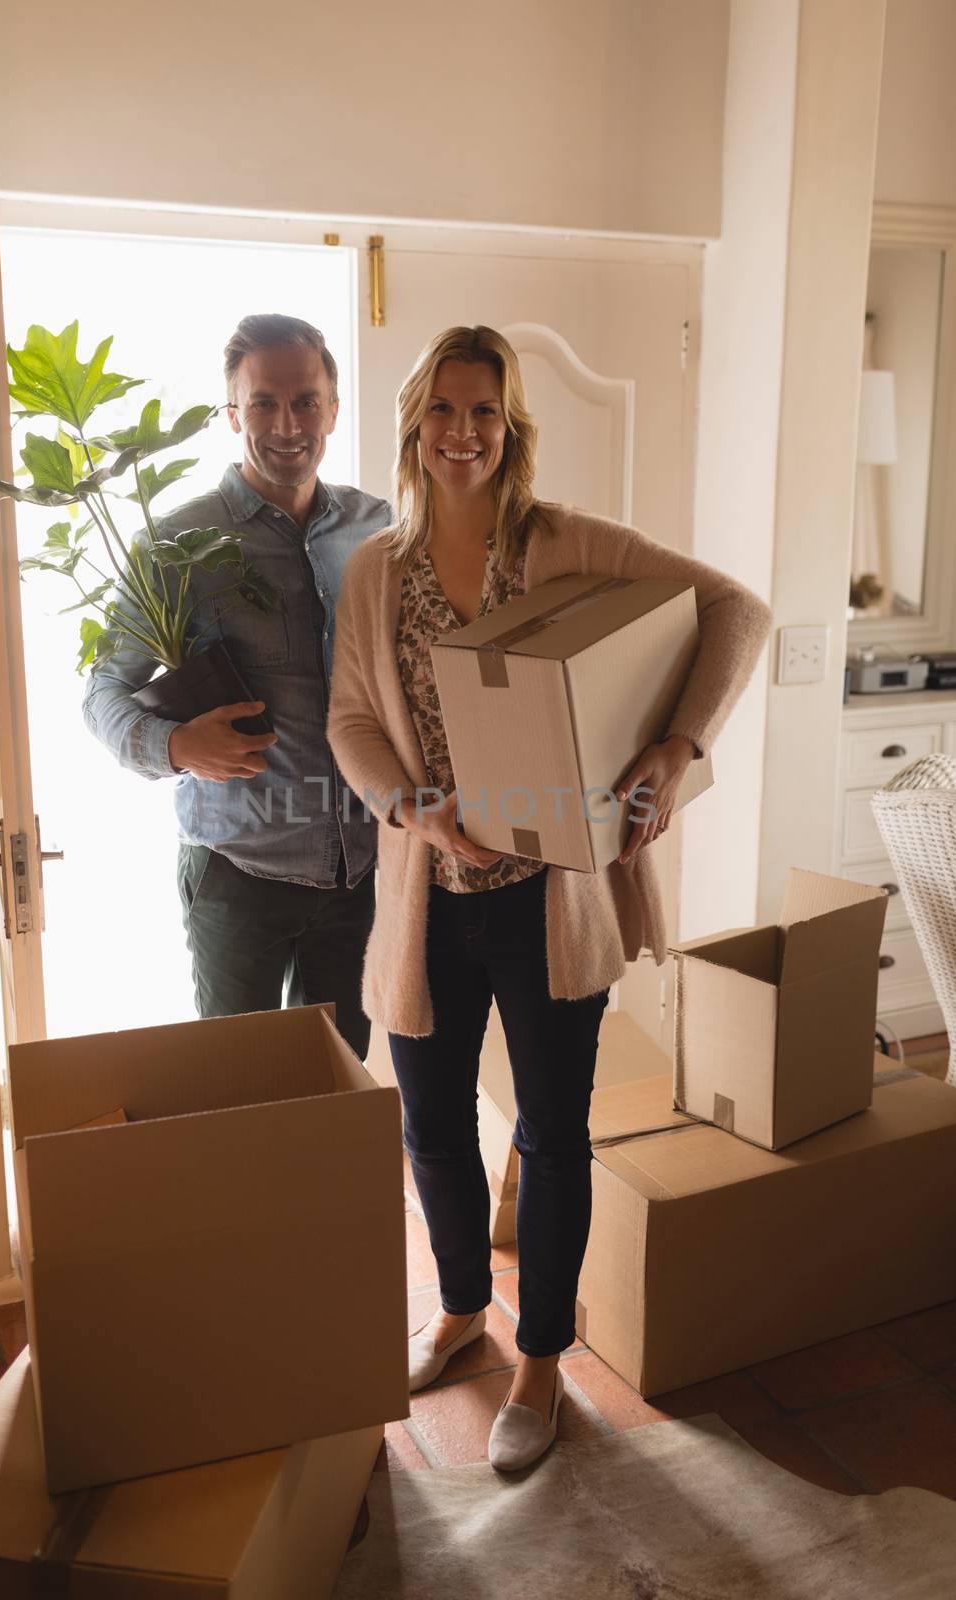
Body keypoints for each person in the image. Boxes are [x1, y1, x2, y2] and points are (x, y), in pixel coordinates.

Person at [328, 325, 771, 1470]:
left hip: (546, 898)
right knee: (428, 1125)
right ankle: (462, 1310)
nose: (461, 433)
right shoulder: (376, 571)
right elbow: (350, 721)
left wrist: (676, 747)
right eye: (442, 412)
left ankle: (539, 1359)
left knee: (553, 1134)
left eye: (482, 413)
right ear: (414, 425)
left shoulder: (567, 543)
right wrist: (406, 806)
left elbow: (735, 609)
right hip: (429, 892)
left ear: (507, 427)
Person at [83, 314, 390, 1058]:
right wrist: (177, 744)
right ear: (232, 415)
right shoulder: (177, 545)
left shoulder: (377, 528)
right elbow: (104, 691)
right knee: (239, 1090)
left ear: (333, 411)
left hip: (359, 867)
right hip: (237, 872)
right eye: (263, 403)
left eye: (306, 401)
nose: (287, 424)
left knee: (336, 1082)